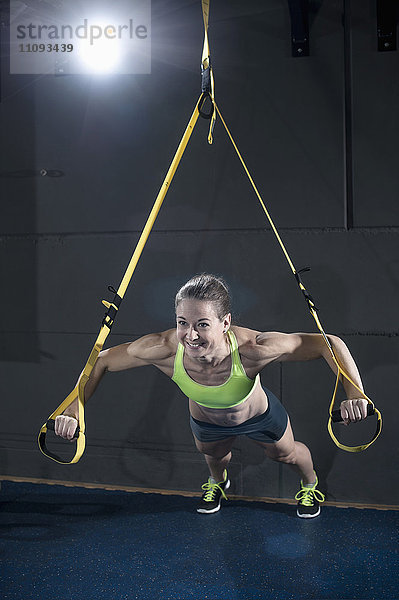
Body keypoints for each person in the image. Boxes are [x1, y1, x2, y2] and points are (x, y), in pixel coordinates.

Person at [55, 273, 368, 518]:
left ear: (225, 323)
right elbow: (102, 361)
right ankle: (219, 483)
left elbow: (331, 344)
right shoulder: (163, 350)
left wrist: (354, 391)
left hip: (259, 417)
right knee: (215, 457)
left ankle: (311, 484)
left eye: (202, 324)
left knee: (285, 455)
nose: (191, 335)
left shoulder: (252, 350)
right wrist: (74, 408)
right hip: (207, 423)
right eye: (182, 323)